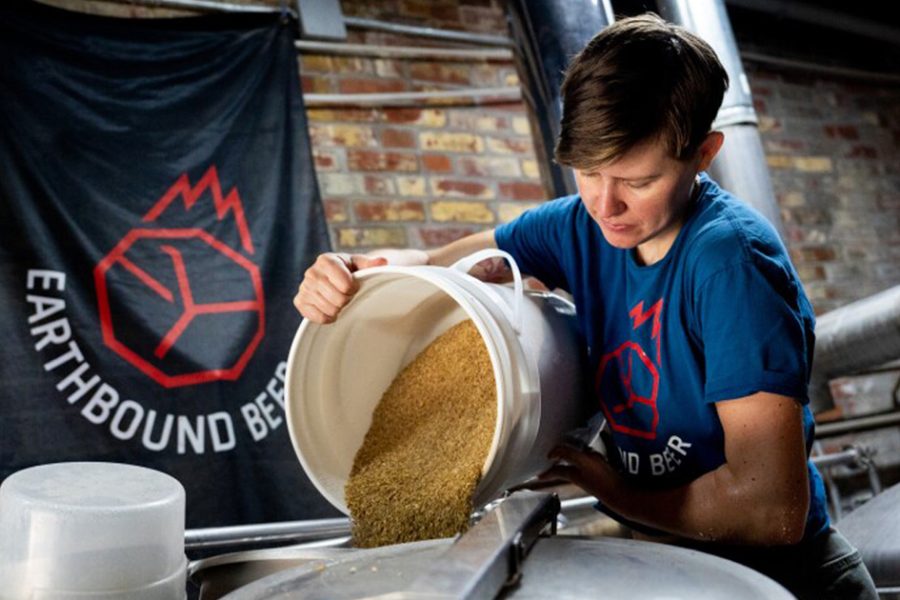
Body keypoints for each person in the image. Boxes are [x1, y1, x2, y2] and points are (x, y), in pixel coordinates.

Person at [294, 13, 876, 599]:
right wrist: (353, 270)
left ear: (703, 154)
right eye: (587, 171)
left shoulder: (730, 266)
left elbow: (770, 510)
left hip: (785, 583)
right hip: (673, 572)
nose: (605, 204)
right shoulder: (577, 225)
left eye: (637, 180)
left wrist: (615, 491)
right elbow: (434, 263)